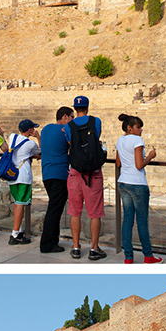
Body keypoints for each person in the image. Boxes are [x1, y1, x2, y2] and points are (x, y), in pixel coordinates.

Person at [116, 113, 163, 264]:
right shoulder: (137, 140)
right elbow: (139, 165)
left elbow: (118, 163)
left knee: (127, 220)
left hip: (123, 182)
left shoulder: (120, 140)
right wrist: (150, 156)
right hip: (137, 183)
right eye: (138, 127)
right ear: (130, 128)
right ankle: (148, 255)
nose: (141, 129)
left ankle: (128, 257)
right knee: (142, 221)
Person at [66, 95, 108, 260]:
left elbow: (70, 144)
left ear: (75, 109)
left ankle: (76, 247)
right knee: (94, 213)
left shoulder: (69, 126)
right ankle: (94, 248)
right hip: (93, 173)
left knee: (75, 212)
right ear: (87, 107)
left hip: (75, 173)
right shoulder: (96, 122)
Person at [38, 106, 74, 253]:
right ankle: (47, 243)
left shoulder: (45, 129)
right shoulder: (65, 131)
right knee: (54, 210)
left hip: (47, 174)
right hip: (60, 174)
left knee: (54, 208)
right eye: (71, 117)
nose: (72, 120)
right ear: (64, 116)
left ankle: (53, 240)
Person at [4, 119, 41, 246]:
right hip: (23, 176)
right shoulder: (30, 144)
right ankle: (14, 234)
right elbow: (40, 151)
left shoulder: (13, 137)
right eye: (33, 129)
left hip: (12, 174)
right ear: (30, 130)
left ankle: (18, 231)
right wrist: (38, 137)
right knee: (21, 203)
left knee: (16, 202)